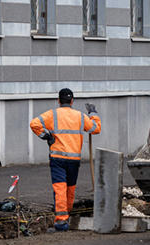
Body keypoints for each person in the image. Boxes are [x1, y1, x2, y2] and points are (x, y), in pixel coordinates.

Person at [30, 88, 101, 231]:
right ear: (72, 101)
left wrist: (47, 136)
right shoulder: (80, 116)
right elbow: (96, 128)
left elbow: (34, 124)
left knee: (60, 189)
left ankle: (62, 222)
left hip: (57, 158)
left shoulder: (52, 114)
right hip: (74, 160)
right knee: (70, 190)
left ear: (58, 100)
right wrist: (93, 113)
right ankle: (65, 217)